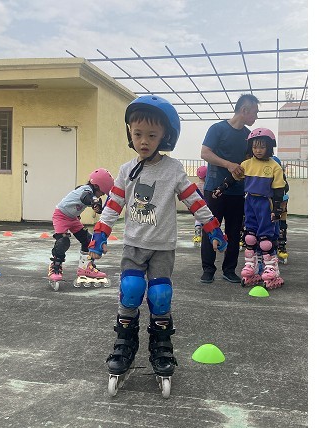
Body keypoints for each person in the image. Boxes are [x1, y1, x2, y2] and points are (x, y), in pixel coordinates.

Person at [88, 95, 228, 396]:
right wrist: (99, 235)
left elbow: (194, 200)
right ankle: (125, 342)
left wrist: (212, 227)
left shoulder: (173, 169)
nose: (144, 141)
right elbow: (112, 206)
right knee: (131, 290)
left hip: (163, 247)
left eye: (152, 135)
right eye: (138, 133)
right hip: (134, 246)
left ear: (165, 136)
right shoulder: (126, 170)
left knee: (160, 295)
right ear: (130, 133)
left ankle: (161, 344)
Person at [212, 127, 286, 289]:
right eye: (255, 147)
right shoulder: (246, 164)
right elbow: (233, 178)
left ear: (269, 147)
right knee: (249, 237)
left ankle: (271, 270)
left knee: (266, 240)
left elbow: (279, 190)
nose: (258, 150)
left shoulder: (274, 166)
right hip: (250, 201)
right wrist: (221, 188)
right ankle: (251, 267)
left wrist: (277, 210)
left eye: (262, 147)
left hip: (265, 203)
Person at [199, 93, 259, 284]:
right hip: (214, 190)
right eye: (255, 112)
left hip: (238, 192)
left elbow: (251, 162)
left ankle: (229, 269)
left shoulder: (248, 136)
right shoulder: (217, 129)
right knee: (210, 228)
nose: (256, 117)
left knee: (234, 231)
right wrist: (229, 165)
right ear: (244, 110)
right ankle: (208, 269)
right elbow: (205, 153)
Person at [47, 168, 115, 289]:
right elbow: (86, 197)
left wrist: (98, 207)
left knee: (88, 240)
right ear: (97, 186)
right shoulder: (86, 190)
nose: (102, 194)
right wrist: (94, 202)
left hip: (73, 218)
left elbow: (90, 200)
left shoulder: (88, 191)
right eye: (102, 192)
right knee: (63, 241)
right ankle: (55, 267)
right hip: (61, 216)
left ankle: (85, 267)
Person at [271, 155, 290, 264]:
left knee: (281, 222)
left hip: (280, 200)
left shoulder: (281, 176)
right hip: (266, 200)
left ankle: (281, 246)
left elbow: (285, 188)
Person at [192, 165, 207, 247]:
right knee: (206, 220)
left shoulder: (195, 185)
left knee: (198, 219)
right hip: (206, 205)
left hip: (197, 206)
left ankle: (197, 235)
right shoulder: (207, 186)